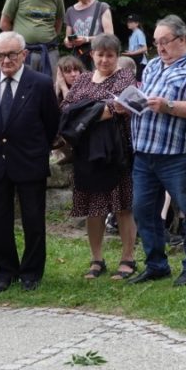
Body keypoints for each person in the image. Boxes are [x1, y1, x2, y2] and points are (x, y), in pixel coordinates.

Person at [122, 15, 186, 286]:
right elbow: (147, 99)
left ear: (181, 39)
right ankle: (156, 265)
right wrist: (131, 104)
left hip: (178, 152)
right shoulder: (153, 65)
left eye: (164, 41)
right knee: (143, 211)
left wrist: (168, 106)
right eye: (155, 42)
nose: (159, 47)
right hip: (144, 151)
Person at [0, 31, 60, 293]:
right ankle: (5, 273)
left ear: (24, 54)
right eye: (0, 55)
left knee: (33, 221)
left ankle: (31, 273)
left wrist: (37, 149)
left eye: (12, 54)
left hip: (29, 161)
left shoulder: (41, 83)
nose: (6, 60)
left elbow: (51, 123)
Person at [60, 34, 138, 280]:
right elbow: (66, 110)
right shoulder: (83, 78)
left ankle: (128, 259)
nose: (104, 60)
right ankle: (97, 260)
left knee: (123, 206)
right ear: (92, 54)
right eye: (100, 54)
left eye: (110, 55)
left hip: (117, 152)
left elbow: (118, 108)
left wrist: (83, 113)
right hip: (86, 152)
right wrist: (96, 109)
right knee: (93, 207)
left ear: (117, 56)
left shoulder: (125, 76)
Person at [0, 0, 65, 78]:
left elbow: (59, 21)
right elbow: (4, 23)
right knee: (25, 85)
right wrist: (16, 44)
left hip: (49, 52)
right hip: (25, 52)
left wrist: (50, 37)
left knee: (51, 85)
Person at [64, 0, 114, 71]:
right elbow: (67, 37)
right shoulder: (70, 11)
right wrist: (68, 42)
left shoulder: (102, 7)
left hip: (99, 57)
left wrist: (86, 39)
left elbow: (109, 36)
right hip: (79, 58)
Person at [123, 14, 149, 81]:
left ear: (137, 23)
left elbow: (144, 48)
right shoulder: (133, 34)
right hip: (135, 60)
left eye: (131, 22)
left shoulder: (139, 33)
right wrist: (130, 52)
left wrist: (132, 53)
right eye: (128, 22)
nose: (128, 24)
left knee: (138, 81)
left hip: (140, 62)